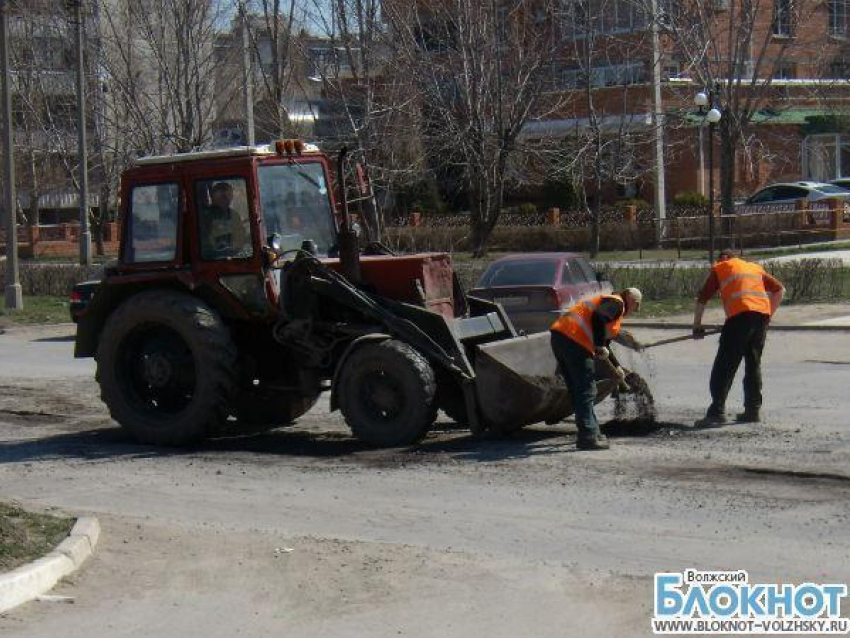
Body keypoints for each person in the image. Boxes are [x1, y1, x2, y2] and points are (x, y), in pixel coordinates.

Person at [692, 249, 785, 427]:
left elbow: (703, 298)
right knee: (753, 363)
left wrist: (697, 326)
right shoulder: (754, 268)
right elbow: (780, 290)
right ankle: (752, 410)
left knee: (725, 365)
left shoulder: (721, 267)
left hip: (740, 318)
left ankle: (716, 412)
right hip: (760, 319)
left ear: (724, 258)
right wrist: (767, 318)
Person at [550, 288, 644, 451]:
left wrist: (617, 367)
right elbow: (599, 318)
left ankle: (591, 430)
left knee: (577, 389)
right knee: (586, 389)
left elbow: (605, 343)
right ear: (631, 299)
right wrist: (599, 345)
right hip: (575, 341)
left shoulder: (607, 303)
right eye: (636, 306)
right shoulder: (617, 303)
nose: (633, 310)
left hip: (560, 337)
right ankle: (589, 437)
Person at [201, 182, 250, 258]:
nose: (226, 199)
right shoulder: (205, 216)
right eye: (222, 197)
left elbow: (240, 237)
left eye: (229, 196)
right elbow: (204, 242)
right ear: (214, 198)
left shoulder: (234, 215)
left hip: (233, 258)